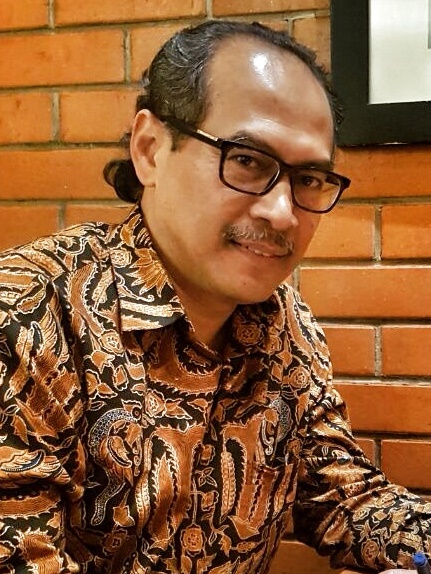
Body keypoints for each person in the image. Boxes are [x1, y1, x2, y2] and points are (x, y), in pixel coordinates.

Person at [0, 19, 429, 574]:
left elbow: (342, 497)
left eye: (308, 178)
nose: (282, 212)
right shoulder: (29, 314)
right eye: (247, 160)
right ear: (150, 150)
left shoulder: (284, 321)